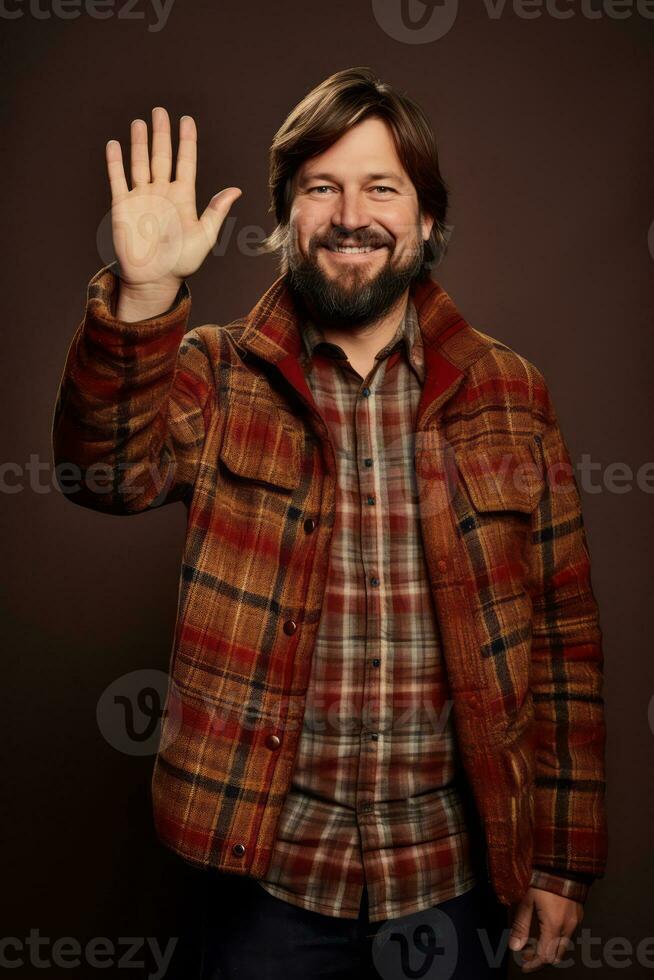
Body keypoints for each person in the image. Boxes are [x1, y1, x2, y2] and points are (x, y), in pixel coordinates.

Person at [51, 67, 608, 979]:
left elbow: (565, 639)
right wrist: (143, 300)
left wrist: (563, 858)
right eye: (322, 188)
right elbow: (96, 472)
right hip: (263, 883)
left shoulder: (510, 392)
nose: (353, 214)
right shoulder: (216, 373)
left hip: (451, 879)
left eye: (382, 187)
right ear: (286, 218)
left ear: (427, 218)